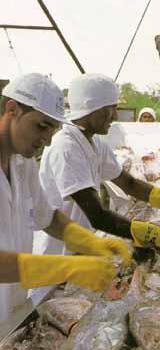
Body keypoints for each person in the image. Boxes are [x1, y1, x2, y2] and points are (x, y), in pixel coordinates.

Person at [34, 74, 160, 299]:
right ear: (94, 109)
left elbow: (128, 183)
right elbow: (96, 215)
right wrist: (153, 234)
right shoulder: (66, 148)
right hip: (56, 257)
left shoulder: (95, 142)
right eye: (111, 108)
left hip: (82, 254)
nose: (115, 116)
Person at [0, 73, 131, 322]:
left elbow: (47, 217)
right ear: (12, 109)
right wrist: (67, 267)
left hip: (12, 309)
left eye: (54, 129)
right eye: (42, 126)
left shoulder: (22, 163)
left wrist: (89, 243)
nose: (48, 141)